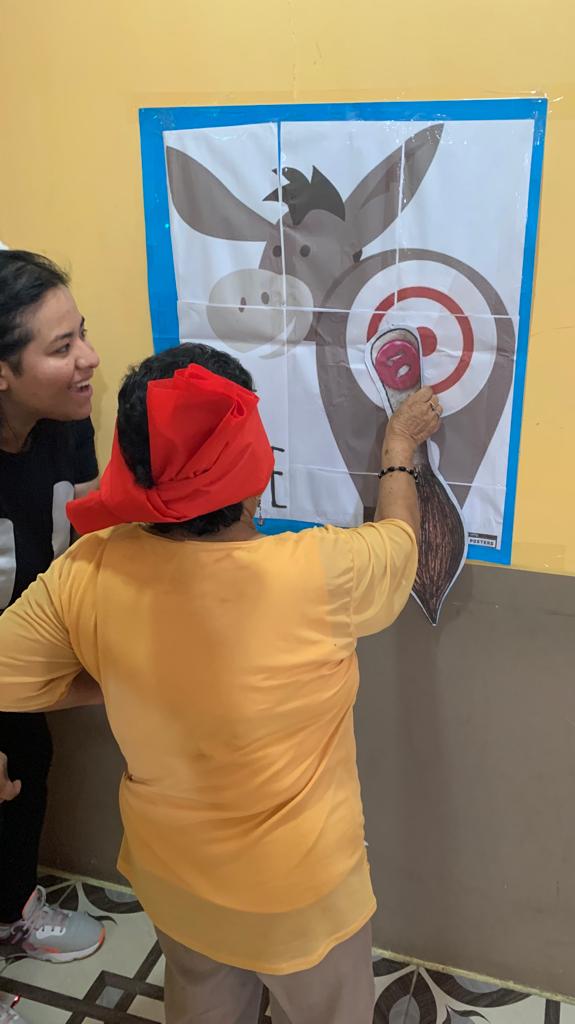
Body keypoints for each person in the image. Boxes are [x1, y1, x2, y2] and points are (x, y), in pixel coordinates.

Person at [0, 341, 442, 1023]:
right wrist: (399, 449)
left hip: (174, 879)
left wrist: (119, 674)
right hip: (300, 896)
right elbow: (401, 543)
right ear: (251, 461)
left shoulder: (90, 569)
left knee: (203, 997)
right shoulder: (320, 571)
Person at [0, 252, 106, 1022]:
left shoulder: (69, 427)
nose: (89, 359)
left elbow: (90, 537)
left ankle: (11, 909)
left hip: (14, 667)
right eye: (62, 347)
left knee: (27, 765)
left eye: (83, 335)